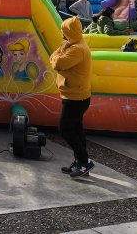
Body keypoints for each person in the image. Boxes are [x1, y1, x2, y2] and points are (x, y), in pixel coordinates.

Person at [50, 16, 94, 178]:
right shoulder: (72, 44)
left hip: (76, 97)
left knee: (66, 128)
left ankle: (84, 162)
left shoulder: (77, 49)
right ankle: (81, 161)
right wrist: (57, 56)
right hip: (73, 94)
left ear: (70, 32)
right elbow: (55, 55)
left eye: (64, 31)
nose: (62, 35)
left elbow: (57, 63)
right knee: (76, 128)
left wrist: (55, 58)